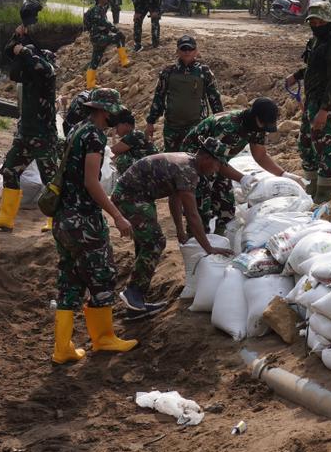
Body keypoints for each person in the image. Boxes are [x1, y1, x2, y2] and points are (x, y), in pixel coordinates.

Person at [49, 87, 139, 363]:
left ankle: (62, 348)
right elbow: (91, 182)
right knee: (102, 275)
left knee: (71, 280)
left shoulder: (78, 129)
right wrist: (117, 215)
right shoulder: (94, 136)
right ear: (104, 110)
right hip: (83, 220)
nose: (115, 115)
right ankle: (104, 339)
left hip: (63, 218)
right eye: (113, 110)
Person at [110, 137, 240, 314]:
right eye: (217, 165)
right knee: (155, 242)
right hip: (130, 197)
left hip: (139, 195)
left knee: (147, 241)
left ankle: (135, 303)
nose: (217, 170)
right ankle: (133, 292)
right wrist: (209, 249)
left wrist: (179, 229)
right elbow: (193, 216)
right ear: (207, 158)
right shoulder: (188, 171)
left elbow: (174, 198)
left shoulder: (189, 163)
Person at [0, 27, 59, 231]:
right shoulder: (29, 76)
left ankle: (55, 220)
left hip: (43, 135)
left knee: (50, 178)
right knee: (9, 170)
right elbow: (11, 52)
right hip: (25, 134)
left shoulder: (47, 75)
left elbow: (41, 66)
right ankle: (6, 218)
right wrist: (17, 36)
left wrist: (24, 51)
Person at [181, 97, 290, 232]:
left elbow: (260, 155)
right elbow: (216, 161)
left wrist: (283, 174)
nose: (263, 128)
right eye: (263, 124)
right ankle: (197, 241)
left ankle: (220, 239)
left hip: (218, 160)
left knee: (226, 206)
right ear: (255, 116)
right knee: (202, 203)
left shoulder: (257, 126)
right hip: (197, 161)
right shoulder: (228, 127)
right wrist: (242, 178)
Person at [287, 3, 331, 203]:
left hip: (326, 102)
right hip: (312, 99)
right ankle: (312, 185)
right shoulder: (316, 41)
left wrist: (324, 110)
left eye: (319, 21)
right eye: (312, 21)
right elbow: (313, 68)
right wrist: (296, 76)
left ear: (328, 20)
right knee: (305, 143)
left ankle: (326, 190)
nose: (315, 24)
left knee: (323, 145)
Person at [145, 35, 223, 152]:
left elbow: (214, 99)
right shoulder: (168, 72)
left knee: (193, 160)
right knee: (172, 160)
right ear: (177, 51)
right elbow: (159, 97)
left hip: (196, 126)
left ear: (196, 51)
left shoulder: (204, 71)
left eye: (190, 49)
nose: (187, 52)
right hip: (172, 127)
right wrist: (151, 122)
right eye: (183, 48)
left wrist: (220, 122)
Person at [82, 0, 126, 89]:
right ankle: (124, 61)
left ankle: (90, 84)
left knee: (95, 60)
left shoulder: (98, 8)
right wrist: (116, 30)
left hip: (96, 38)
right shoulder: (97, 9)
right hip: (99, 38)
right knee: (120, 37)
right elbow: (105, 23)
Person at [108, 108, 157, 174]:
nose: (116, 130)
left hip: (151, 168)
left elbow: (112, 151)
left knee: (122, 160)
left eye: (117, 126)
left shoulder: (134, 135)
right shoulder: (135, 134)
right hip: (150, 166)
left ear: (126, 125)